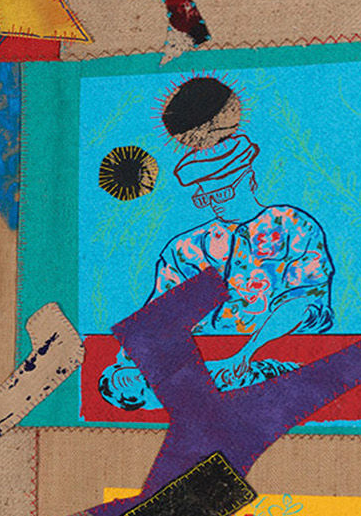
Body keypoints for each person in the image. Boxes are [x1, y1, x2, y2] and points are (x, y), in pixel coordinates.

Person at [95, 74, 336, 412]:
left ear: (249, 179)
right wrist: (126, 367)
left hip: (280, 356)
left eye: (222, 193)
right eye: (205, 197)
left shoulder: (293, 226)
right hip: (201, 369)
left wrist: (245, 354)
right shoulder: (186, 248)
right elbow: (159, 320)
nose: (216, 205)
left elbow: (305, 303)